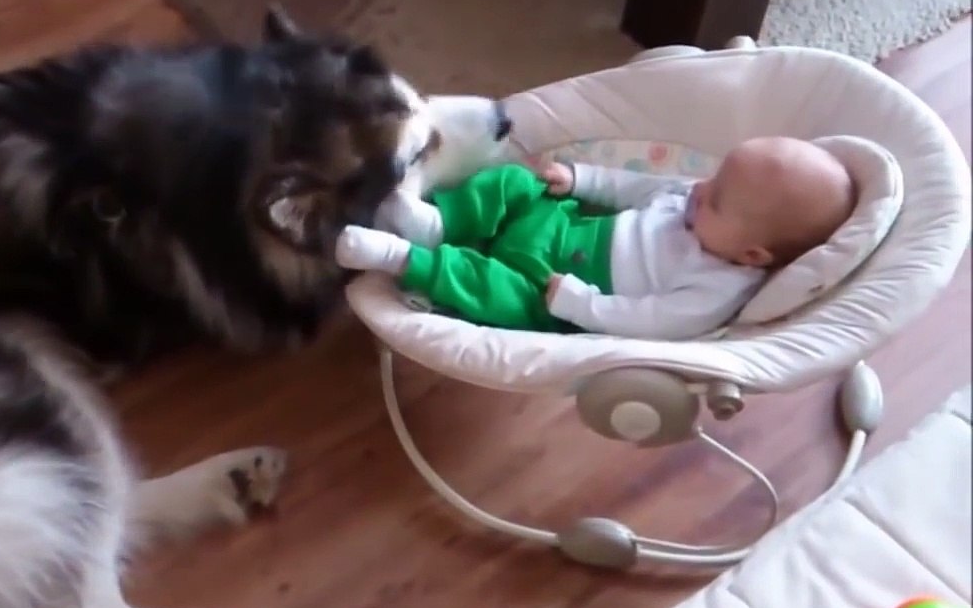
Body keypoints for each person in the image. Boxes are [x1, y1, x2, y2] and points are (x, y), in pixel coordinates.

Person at [335, 136, 857, 340]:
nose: (700, 189)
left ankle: (404, 258)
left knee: (494, 293)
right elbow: (634, 187)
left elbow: (652, 321)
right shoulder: (693, 197)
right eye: (713, 179)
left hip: (552, 286)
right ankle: (437, 223)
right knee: (514, 183)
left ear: (752, 254)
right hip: (561, 222)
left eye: (716, 200)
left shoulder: (715, 286)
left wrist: (581, 304)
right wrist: (581, 179)